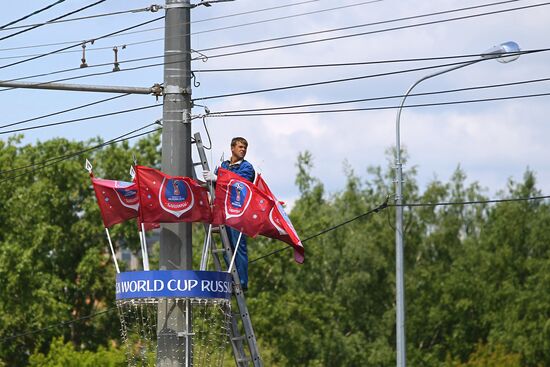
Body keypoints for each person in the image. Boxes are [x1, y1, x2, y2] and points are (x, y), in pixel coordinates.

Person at [203, 137, 255, 291]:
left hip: (238, 212)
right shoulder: (224, 165)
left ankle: (242, 282)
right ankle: (232, 278)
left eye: (245, 147)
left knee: (239, 247)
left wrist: (218, 179)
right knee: (227, 248)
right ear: (232, 148)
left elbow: (239, 184)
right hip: (224, 212)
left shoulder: (247, 167)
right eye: (240, 147)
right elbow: (215, 185)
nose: (243, 150)